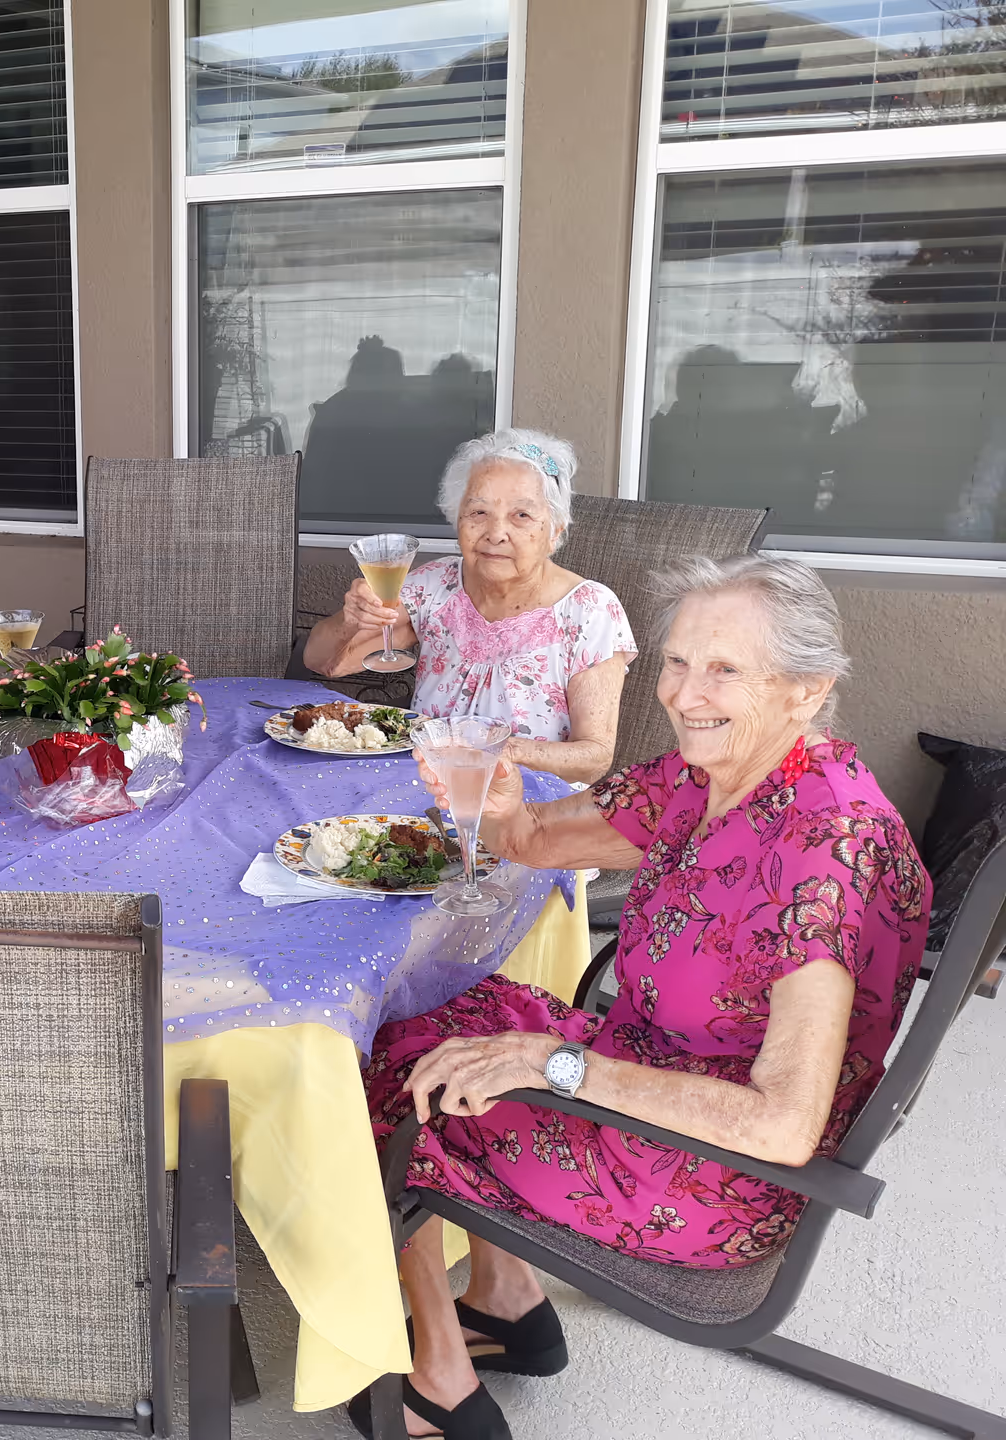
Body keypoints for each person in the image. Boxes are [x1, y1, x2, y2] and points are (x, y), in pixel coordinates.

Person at [357, 555, 928, 1440]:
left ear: (805, 691)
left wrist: (554, 1063)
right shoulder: (715, 775)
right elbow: (539, 840)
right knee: (428, 1012)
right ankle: (507, 1299)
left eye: (726, 669)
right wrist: (502, 802)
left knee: (389, 1075)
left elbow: (782, 1126)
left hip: (708, 1169)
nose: (685, 693)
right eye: (676, 661)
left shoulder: (823, 848)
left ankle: (437, 1375)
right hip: (655, 1070)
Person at [303, 428, 636, 784]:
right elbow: (324, 662)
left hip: (531, 812)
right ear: (457, 518)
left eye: (521, 515)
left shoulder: (591, 610)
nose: (495, 533)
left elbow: (594, 756)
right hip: (425, 793)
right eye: (478, 511)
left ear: (555, 530)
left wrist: (487, 752)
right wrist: (351, 620)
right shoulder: (435, 586)